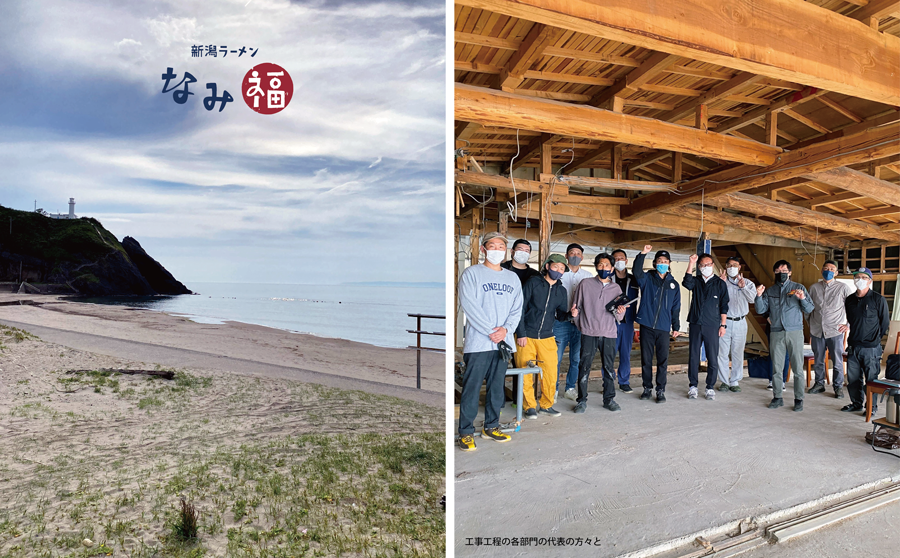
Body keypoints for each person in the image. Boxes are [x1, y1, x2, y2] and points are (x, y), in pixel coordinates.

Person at [457, 232, 523, 452]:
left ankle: (491, 426)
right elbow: (469, 305)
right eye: (492, 246)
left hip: (503, 343)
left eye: (501, 246)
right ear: (484, 249)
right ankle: (465, 432)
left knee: (497, 387)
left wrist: (505, 330)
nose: (497, 250)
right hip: (479, 343)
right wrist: (490, 331)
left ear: (506, 251)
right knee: (472, 387)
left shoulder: (512, 278)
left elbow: (517, 308)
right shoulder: (472, 273)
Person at [514, 254, 571, 419]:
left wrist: (570, 315)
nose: (558, 271)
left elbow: (560, 315)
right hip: (527, 336)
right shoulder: (533, 283)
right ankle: (529, 406)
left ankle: (547, 405)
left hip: (547, 337)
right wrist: (521, 333)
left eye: (562, 269)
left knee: (551, 372)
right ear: (547, 266)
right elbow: (520, 308)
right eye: (555, 267)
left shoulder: (561, 290)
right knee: (525, 373)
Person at [755, 260, 814, 412]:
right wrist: (759, 296)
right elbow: (761, 310)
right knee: (777, 367)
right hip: (776, 332)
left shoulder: (798, 288)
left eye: (784, 270)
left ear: (790, 273)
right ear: (774, 273)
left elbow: (809, 308)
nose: (781, 273)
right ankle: (777, 397)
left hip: (795, 332)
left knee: (797, 368)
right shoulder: (770, 291)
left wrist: (802, 298)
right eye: (778, 270)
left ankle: (799, 399)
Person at [571, 253, 626, 413]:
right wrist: (581, 325)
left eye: (607, 265)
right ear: (596, 266)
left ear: (612, 268)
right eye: (600, 265)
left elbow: (619, 316)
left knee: (609, 368)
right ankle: (581, 400)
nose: (604, 268)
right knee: (584, 366)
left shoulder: (616, 288)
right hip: (588, 332)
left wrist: (620, 311)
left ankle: (609, 399)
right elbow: (576, 307)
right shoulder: (585, 284)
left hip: (609, 333)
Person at [633, 245, 682, 403]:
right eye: (659, 261)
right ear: (654, 263)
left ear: (669, 264)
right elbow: (636, 271)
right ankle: (647, 388)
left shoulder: (673, 284)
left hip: (663, 328)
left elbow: (676, 307)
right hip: (646, 325)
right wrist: (643, 253)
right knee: (646, 359)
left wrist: (676, 327)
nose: (662, 263)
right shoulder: (646, 279)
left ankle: (660, 390)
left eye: (665, 261)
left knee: (663, 361)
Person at [840, 267, 890, 415]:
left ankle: (871, 407)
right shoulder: (849, 300)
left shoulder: (877, 299)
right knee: (853, 379)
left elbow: (884, 323)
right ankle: (856, 404)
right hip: (853, 346)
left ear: (870, 281)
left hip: (871, 348)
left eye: (863, 277)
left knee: (871, 380)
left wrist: (874, 339)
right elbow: (851, 320)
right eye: (857, 277)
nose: (859, 280)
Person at [683, 253, 729, 400]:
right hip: (696, 323)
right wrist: (691, 263)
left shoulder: (720, 283)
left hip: (712, 325)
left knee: (712, 357)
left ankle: (710, 387)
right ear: (699, 267)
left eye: (708, 264)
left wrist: (723, 325)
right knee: (693, 356)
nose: (706, 267)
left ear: (713, 266)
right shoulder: (696, 281)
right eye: (702, 265)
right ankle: (693, 386)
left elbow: (724, 306)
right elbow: (686, 282)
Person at [500, 238, 540, 406]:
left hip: (524, 324)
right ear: (512, 251)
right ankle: (498, 401)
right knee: (499, 363)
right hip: (501, 322)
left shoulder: (535, 275)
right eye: (520, 249)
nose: (523, 253)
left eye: (527, 250)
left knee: (521, 364)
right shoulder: (502, 269)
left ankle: (519, 399)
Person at [807, 260, 854, 399]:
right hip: (817, 330)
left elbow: (852, 308)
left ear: (836, 272)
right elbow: (808, 308)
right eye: (826, 268)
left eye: (832, 269)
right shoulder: (814, 288)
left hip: (835, 330)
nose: (829, 271)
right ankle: (819, 384)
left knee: (837, 361)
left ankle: (838, 387)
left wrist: (848, 325)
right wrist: (811, 323)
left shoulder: (843, 288)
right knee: (819, 359)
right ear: (821, 271)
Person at [557, 243, 594, 401]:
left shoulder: (587, 276)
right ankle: (553, 389)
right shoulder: (559, 273)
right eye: (572, 253)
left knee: (576, 358)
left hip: (580, 323)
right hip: (560, 321)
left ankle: (570, 388)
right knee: (556, 358)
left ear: (582, 257)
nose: (575, 256)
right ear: (566, 256)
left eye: (578, 253)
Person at [717, 256, 756, 392]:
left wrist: (743, 287)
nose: (731, 267)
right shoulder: (720, 281)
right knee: (722, 353)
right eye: (729, 265)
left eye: (735, 265)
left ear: (739, 267)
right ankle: (724, 381)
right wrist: (720, 284)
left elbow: (752, 299)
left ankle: (734, 381)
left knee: (737, 352)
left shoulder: (747, 282)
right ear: (726, 268)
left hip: (740, 322)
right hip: (724, 322)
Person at [611, 249, 639, 393]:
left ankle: (624, 381)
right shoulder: (608, 278)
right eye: (615, 258)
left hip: (628, 322)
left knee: (625, 353)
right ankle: (608, 382)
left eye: (621, 258)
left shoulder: (634, 279)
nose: (619, 261)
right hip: (610, 322)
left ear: (626, 261)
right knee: (609, 353)